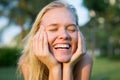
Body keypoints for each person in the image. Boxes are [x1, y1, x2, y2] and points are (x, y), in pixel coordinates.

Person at [17, 0, 93, 80]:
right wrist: (54, 68)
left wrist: (68, 68)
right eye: (53, 29)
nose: (64, 35)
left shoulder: (85, 60)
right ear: (37, 35)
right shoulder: (28, 62)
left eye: (71, 29)